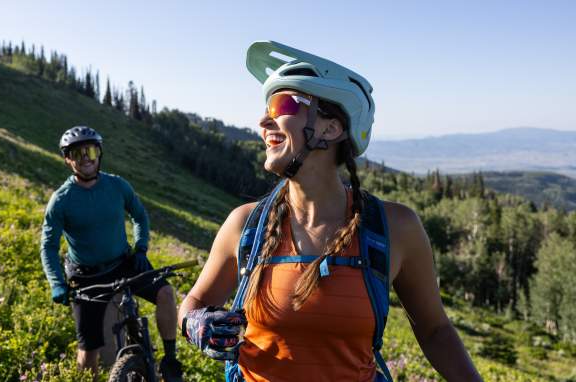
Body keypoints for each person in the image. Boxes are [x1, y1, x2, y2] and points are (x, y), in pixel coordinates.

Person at [178, 41, 482, 381]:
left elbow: (435, 330)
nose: (264, 120)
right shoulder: (245, 225)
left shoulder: (394, 228)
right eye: (267, 107)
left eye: (283, 104)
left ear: (331, 128)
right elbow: (195, 301)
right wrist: (193, 322)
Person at [40, 126, 183, 381]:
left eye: (90, 150)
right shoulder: (61, 200)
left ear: (99, 153)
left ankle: (170, 360)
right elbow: (48, 246)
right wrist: (56, 283)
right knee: (87, 352)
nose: (84, 157)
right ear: (67, 159)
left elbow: (139, 216)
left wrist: (141, 248)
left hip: (125, 262)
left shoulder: (117, 186)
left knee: (166, 293)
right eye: (76, 153)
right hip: (86, 276)